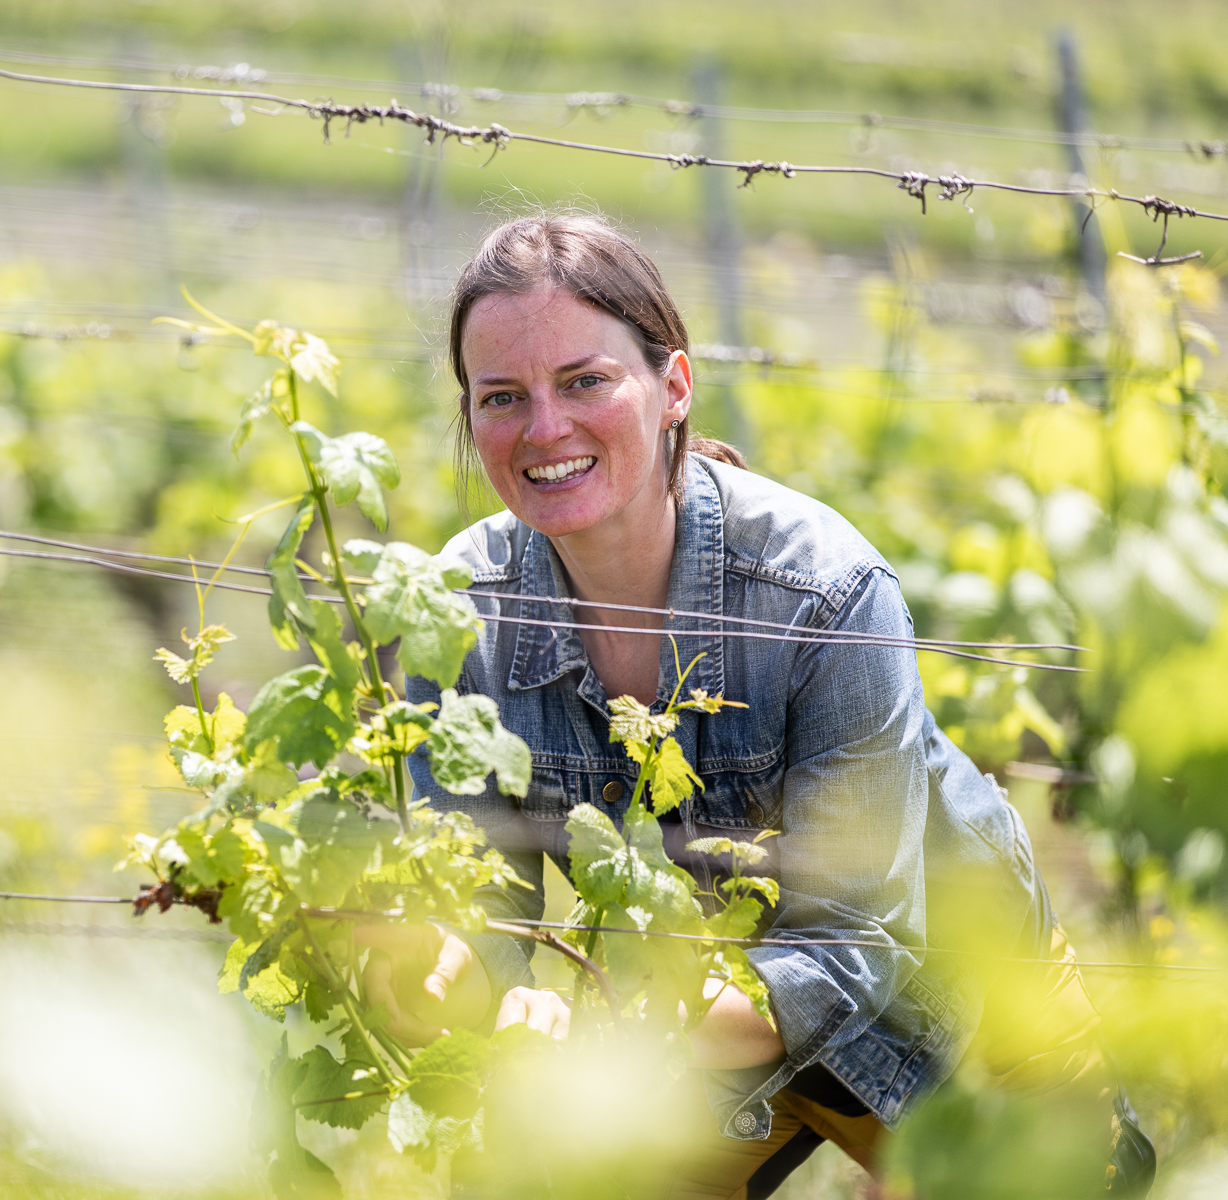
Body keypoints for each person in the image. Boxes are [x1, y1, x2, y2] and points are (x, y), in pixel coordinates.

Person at [372, 213, 1152, 1197]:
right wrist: (446, 979)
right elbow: (480, 906)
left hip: (950, 998)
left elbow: (854, 944)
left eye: (584, 381)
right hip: (703, 1023)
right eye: (502, 397)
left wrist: (616, 1035)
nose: (544, 429)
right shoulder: (461, 612)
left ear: (674, 388)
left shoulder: (824, 591)